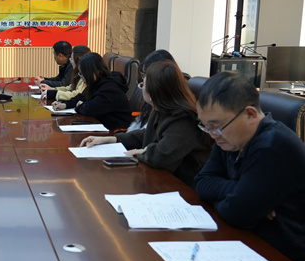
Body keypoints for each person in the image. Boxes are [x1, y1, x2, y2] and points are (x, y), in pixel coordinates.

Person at [194, 71, 305, 261]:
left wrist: (239, 200)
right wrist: (239, 191)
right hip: (255, 245)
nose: (212, 135)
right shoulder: (229, 138)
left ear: (250, 114)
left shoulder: (272, 147)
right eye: (206, 127)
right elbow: (202, 182)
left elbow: (235, 213)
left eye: (215, 126)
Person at [80, 60, 211, 187]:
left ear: (154, 92)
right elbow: (146, 134)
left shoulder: (183, 119)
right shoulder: (160, 108)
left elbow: (162, 156)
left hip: (183, 187)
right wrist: (111, 139)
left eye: (143, 85)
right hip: (164, 178)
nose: (141, 87)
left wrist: (141, 152)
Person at [54, 52, 132, 130]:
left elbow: (90, 109)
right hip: (100, 125)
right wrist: (65, 105)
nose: (82, 78)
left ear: (95, 73)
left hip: (114, 131)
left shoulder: (110, 88)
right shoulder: (97, 82)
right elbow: (82, 96)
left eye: (83, 74)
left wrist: (81, 106)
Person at [127, 49, 179, 132]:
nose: (143, 82)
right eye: (143, 75)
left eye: (146, 75)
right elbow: (144, 135)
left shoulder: (176, 116)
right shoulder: (155, 107)